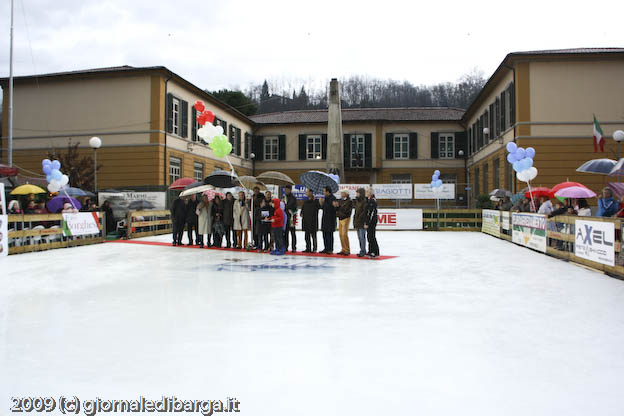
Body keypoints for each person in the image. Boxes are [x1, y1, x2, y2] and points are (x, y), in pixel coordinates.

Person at [319, 186, 337, 254]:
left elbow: (331, 208)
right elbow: (323, 208)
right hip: (325, 218)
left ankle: (330, 249)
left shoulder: (333, 198)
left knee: (329, 234)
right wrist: (321, 203)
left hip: (331, 219)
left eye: (324, 191)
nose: (323, 192)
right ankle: (326, 248)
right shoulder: (325, 198)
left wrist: (324, 202)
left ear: (328, 191)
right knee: (324, 234)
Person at [335, 190, 353, 256]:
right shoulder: (340, 200)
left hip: (346, 218)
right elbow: (338, 209)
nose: (341, 194)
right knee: (340, 234)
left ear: (346, 193)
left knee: (344, 234)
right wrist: (337, 207)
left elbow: (346, 210)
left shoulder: (349, 201)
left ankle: (347, 249)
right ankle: (343, 249)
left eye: (342, 193)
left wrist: (339, 209)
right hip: (340, 218)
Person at [353, 188, 368, 257]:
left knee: (362, 237)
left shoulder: (364, 201)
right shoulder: (357, 201)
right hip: (357, 221)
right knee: (359, 237)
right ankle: (362, 250)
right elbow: (356, 212)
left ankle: (363, 250)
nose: (356, 194)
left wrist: (360, 218)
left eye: (357, 193)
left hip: (362, 221)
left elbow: (364, 212)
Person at [365, 188, 379, 258]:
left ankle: (375, 252)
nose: (366, 192)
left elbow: (371, 213)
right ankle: (370, 251)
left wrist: (367, 223)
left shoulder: (372, 200)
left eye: (367, 191)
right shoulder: (368, 200)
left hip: (372, 221)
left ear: (371, 193)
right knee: (369, 236)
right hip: (370, 221)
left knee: (372, 236)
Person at [283, 185, 298, 252]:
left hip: (291, 217)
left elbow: (289, 206)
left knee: (293, 233)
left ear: (290, 190)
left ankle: (294, 247)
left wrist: (284, 205)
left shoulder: (293, 198)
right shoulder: (284, 197)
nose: (286, 191)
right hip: (285, 217)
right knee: (285, 233)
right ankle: (285, 246)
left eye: (287, 190)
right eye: (285, 190)